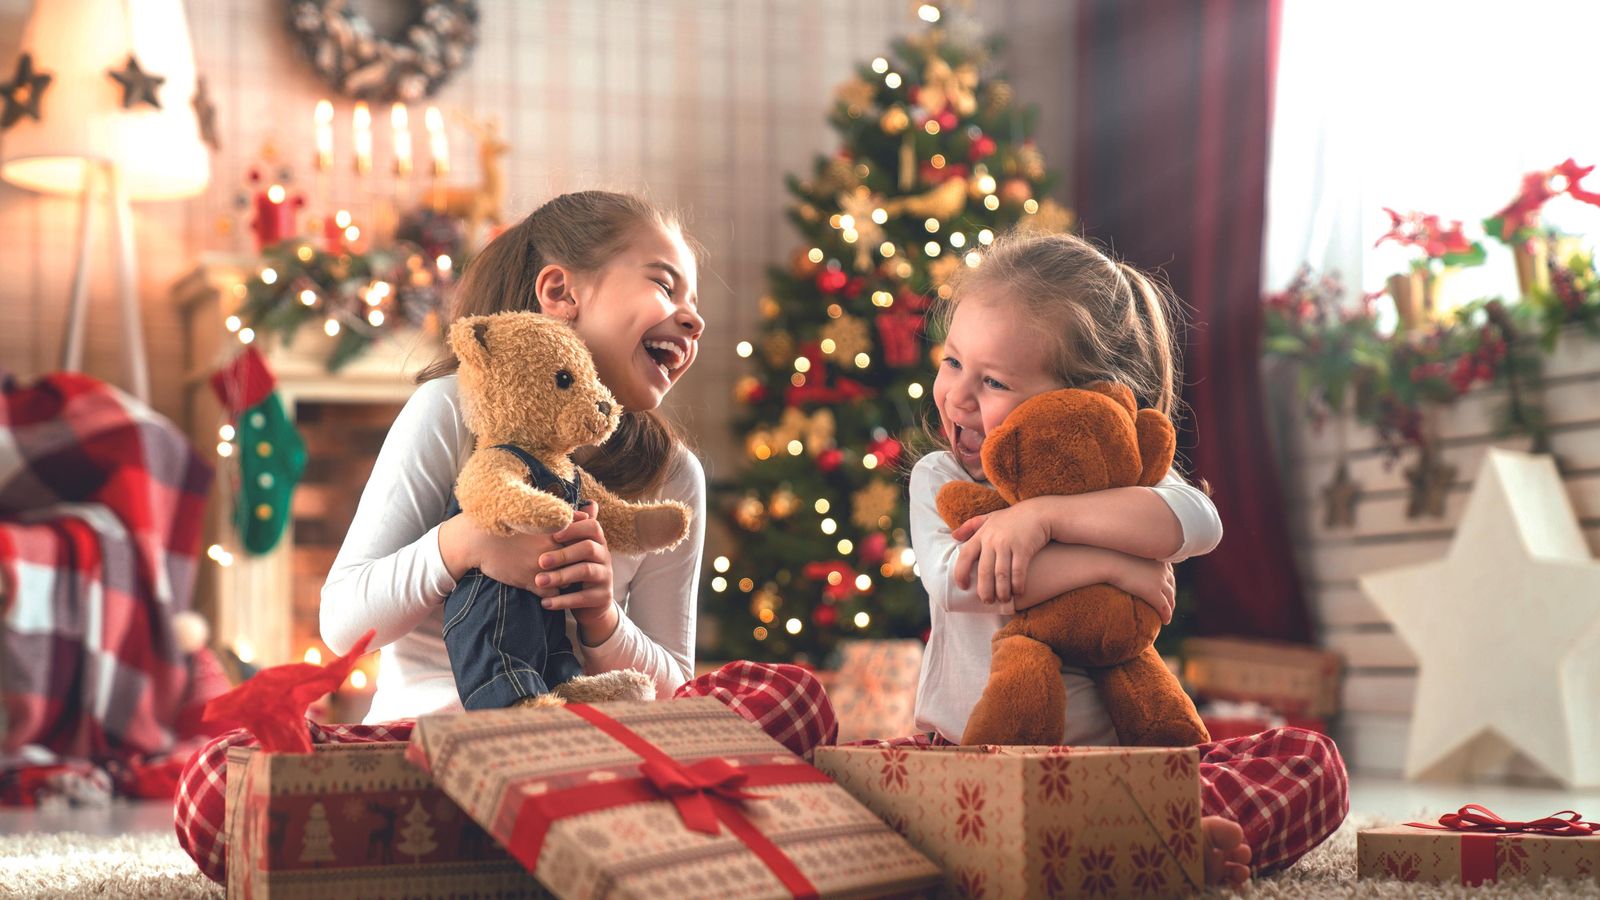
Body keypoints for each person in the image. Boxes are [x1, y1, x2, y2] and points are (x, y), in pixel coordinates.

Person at [174, 192, 835, 883]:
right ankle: (552, 847)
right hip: (429, 752)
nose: (693, 319)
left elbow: (676, 690)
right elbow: (342, 622)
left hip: (589, 750)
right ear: (560, 291)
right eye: (664, 283)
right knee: (219, 782)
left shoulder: (674, 476)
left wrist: (603, 619)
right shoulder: (446, 411)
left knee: (793, 700)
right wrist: (464, 545)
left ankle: (480, 855)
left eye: (692, 303)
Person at [905, 231, 1347, 885]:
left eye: (993, 380)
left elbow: (1200, 521)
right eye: (952, 362)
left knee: (1311, 759)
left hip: (1112, 773)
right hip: (974, 763)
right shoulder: (939, 477)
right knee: (860, 775)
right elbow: (960, 583)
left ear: (1086, 397)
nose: (958, 395)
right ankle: (1139, 849)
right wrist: (1113, 566)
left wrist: (1042, 517)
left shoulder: (1127, 475)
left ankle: (1133, 840)